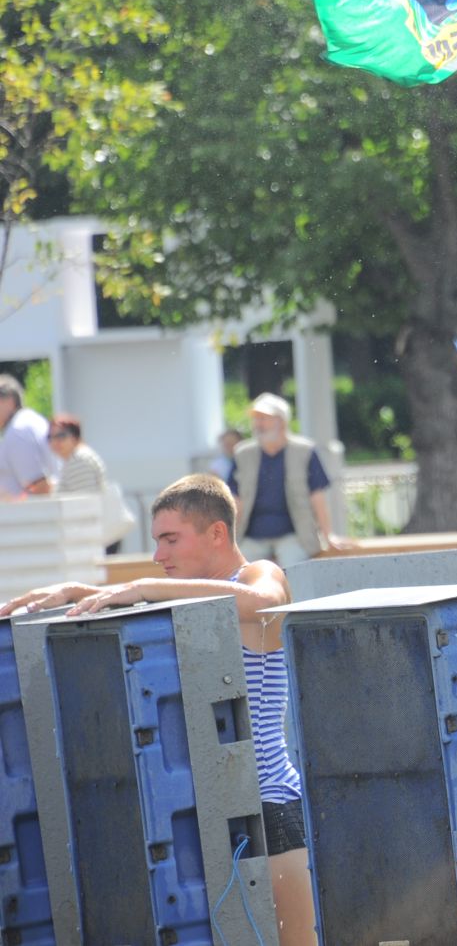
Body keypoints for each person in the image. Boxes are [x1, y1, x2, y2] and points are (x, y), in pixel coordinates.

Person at [1, 475, 318, 946]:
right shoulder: (191, 598)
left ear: (216, 533)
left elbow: (266, 601)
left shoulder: (257, 575)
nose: (158, 555)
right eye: (156, 542)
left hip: (270, 808)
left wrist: (146, 586)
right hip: (205, 817)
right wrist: (76, 592)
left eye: (170, 539)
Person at [228, 394, 338, 565]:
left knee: (293, 571)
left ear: (282, 421)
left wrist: (328, 535)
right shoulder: (242, 453)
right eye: (256, 418)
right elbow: (235, 500)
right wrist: (229, 539)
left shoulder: (305, 450)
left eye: (264, 418)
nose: (258, 424)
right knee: (242, 573)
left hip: (294, 536)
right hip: (251, 537)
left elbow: (317, 496)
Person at [0, 374, 58, 498]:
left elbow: (40, 487)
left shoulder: (18, 431)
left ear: (9, 401)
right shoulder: (29, 421)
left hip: (29, 515)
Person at [48, 413, 109, 495]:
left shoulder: (78, 460)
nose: (54, 442)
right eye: (50, 437)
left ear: (74, 436)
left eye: (61, 435)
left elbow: (87, 503)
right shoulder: (78, 457)